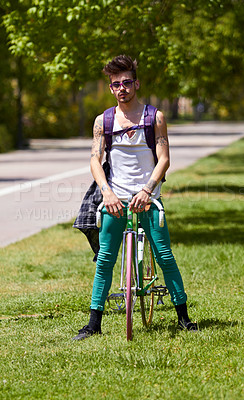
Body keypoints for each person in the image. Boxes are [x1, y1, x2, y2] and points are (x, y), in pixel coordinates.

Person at [72, 55, 197, 340]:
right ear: (111, 88)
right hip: (114, 199)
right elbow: (94, 160)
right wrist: (107, 192)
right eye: (116, 84)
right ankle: (94, 323)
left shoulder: (155, 117)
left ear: (136, 84)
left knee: (165, 255)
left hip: (148, 197)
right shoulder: (102, 121)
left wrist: (147, 190)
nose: (122, 88)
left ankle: (183, 317)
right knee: (104, 259)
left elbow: (164, 159)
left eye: (127, 82)